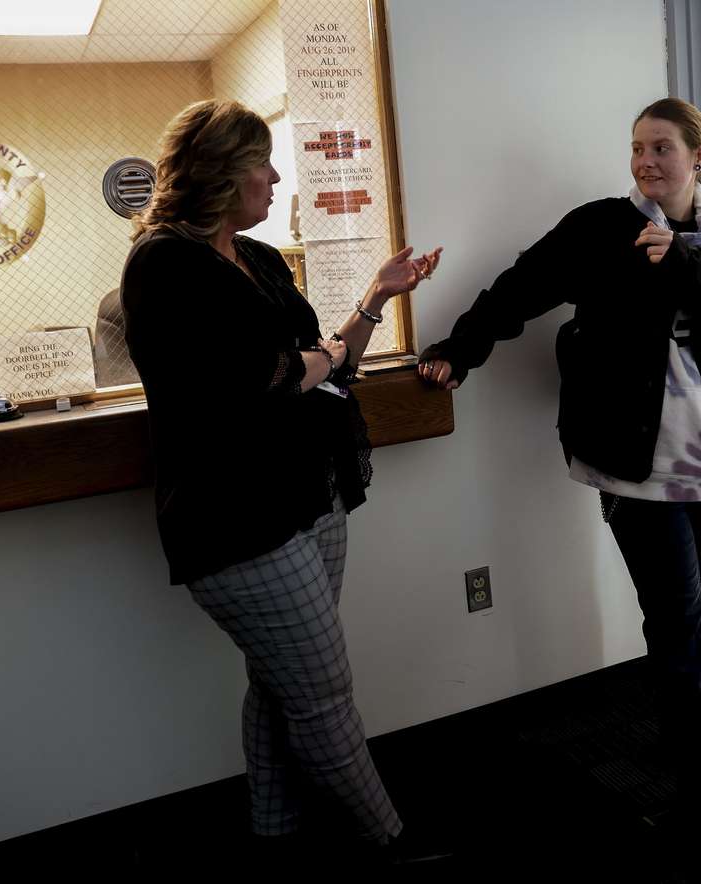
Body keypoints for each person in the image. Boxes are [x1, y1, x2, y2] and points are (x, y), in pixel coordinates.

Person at [419, 97, 701, 830]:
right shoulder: (599, 227)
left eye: (662, 149)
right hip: (631, 463)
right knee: (676, 616)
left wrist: (681, 262)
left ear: (696, 158)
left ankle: (698, 734)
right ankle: (700, 777)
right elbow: (520, 287)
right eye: (637, 148)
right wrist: (459, 349)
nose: (646, 161)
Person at [119, 98, 443, 864]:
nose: (274, 177)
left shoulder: (256, 257)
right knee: (324, 698)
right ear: (222, 175)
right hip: (237, 518)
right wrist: (318, 363)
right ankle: (392, 843)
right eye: (261, 163)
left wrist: (376, 297)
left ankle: (276, 833)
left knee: (281, 685)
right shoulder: (164, 263)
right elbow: (262, 379)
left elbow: (326, 364)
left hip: (308, 494)